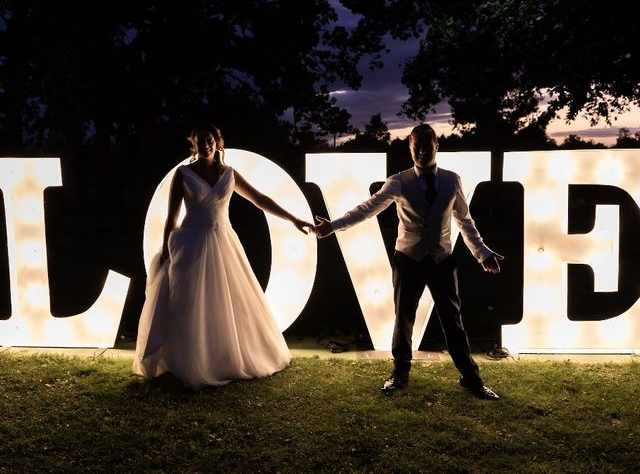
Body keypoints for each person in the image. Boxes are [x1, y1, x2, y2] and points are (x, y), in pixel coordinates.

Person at [314, 123, 503, 400]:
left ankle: (471, 378)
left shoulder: (452, 180)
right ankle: (399, 373)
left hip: (441, 260)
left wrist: (482, 252)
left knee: (453, 322)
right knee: (403, 320)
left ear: (437, 146)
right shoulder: (399, 181)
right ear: (410, 148)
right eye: (417, 147)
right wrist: (334, 225)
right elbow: (368, 209)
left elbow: (465, 220)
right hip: (409, 260)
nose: (422, 152)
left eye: (427, 146)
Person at [134, 123, 313, 389]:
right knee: (188, 305)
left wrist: (294, 219)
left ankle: (221, 358)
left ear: (218, 142)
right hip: (190, 243)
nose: (205, 144)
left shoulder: (229, 174)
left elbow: (259, 199)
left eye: (209, 139)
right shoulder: (182, 174)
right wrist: (165, 250)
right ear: (192, 145)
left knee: (227, 303)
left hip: (222, 242)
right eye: (199, 141)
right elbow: (171, 217)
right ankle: (185, 364)